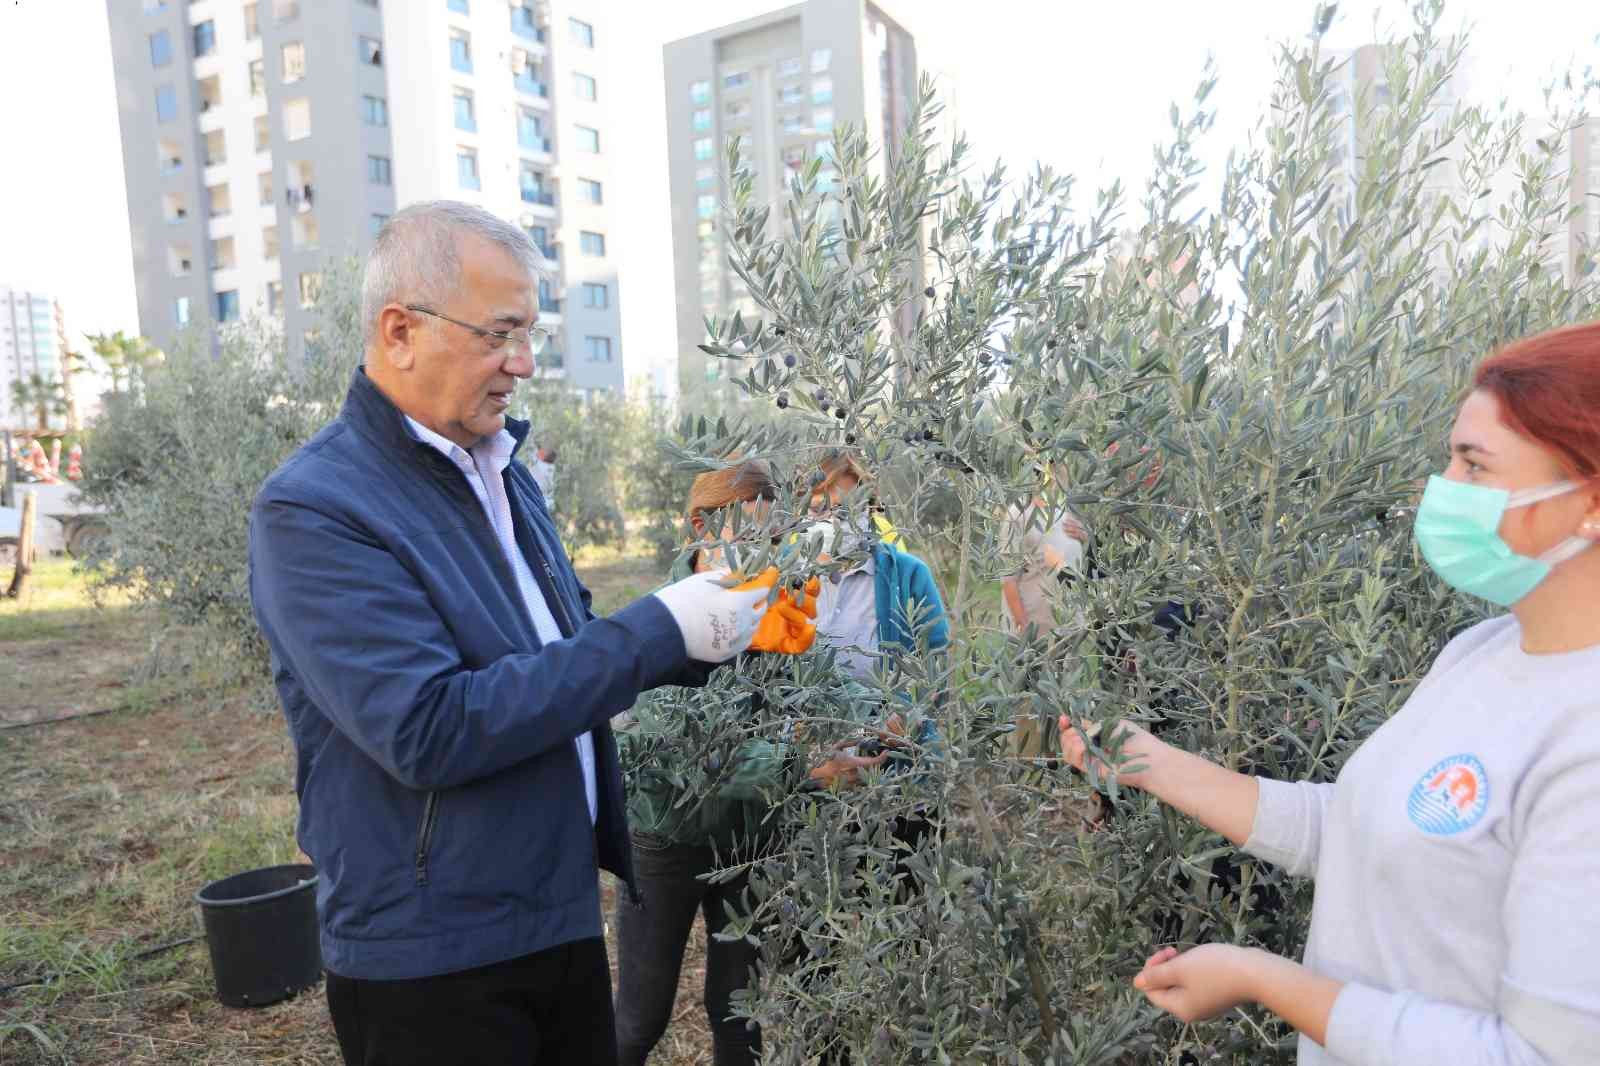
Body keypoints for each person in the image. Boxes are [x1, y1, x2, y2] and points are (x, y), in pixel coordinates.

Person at [247, 201, 771, 1066]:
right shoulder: (314, 509)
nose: (524, 365)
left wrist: (711, 635)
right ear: (400, 330)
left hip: (553, 909)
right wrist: (657, 626)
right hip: (430, 954)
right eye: (501, 334)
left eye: (531, 334)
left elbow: (559, 652)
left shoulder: (502, 474)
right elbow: (428, 726)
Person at [1059, 321, 1600, 1065]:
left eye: (1474, 467)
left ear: (1591, 500)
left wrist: (1263, 977)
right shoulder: (1480, 654)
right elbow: (1362, 830)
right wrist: (1143, 761)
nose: (1440, 491)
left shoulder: (1585, 742)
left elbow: (1542, 1057)